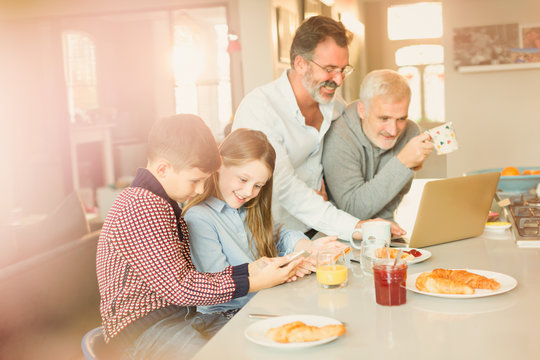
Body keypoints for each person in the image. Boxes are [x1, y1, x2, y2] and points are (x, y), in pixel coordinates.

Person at [96, 114, 302, 360]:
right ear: (163, 169)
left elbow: (193, 279)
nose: (200, 189)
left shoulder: (159, 203)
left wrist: (252, 270)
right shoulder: (140, 206)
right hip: (142, 331)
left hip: (181, 318)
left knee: (266, 340)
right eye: (195, 180)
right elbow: (181, 287)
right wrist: (253, 281)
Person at [232, 15, 405, 241]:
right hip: (267, 238)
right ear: (300, 64)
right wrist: (357, 227)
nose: (339, 80)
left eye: (343, 69)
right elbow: (284, 188)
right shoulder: (260, 110)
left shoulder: (335, 107)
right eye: (330, 69)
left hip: (319, 231)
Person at [183, 128, 347, 318]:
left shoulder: (249, 207)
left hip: (264, 301)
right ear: (220, 163)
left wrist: (309, 246)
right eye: (243, 179)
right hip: (224, 315)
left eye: (258, 186)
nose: (248, 191)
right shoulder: (199, 217)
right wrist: (282, 270)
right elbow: (220, 282)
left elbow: (280, 235)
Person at [322, 69, 434, 221]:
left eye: (401, 119)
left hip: (387, 226)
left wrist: (382, 225)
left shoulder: (410, 132)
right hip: (341, 232)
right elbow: (352, 209)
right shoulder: (339, 136)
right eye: (384, 118)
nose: (393, 131)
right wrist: (403, 162)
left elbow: (394, 199)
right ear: (362, 111)